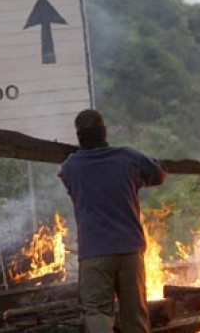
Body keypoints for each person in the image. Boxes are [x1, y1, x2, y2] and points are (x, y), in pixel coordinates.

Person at [58, 109, 166, 333]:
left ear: (79, 137)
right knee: (135, 315)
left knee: (97, 312)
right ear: (104, 132)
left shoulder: (71, 167)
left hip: (95, 254)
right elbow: (157, 174)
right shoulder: (127, 158)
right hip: (129, 250)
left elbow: (69, 181)